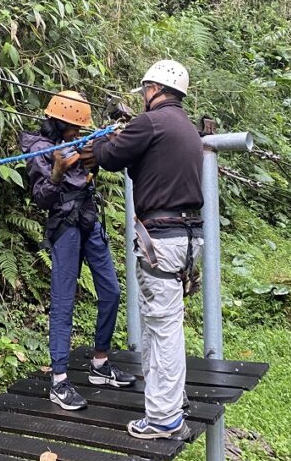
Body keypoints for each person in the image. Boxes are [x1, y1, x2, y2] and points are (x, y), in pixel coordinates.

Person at [82, 61, 204, 440]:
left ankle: (164, 416)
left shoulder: (150, 123)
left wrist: (98, 144)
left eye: (146, 90)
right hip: (185, 239)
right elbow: (142, 167)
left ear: (154, 89)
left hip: (161, 240)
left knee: (162, 326)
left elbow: (110, 157)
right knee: (163, 323)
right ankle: (169, 400)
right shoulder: (186, 128)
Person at [19, 90, 136, 410]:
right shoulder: (41, 149)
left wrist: (103, 148)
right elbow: (42, 198)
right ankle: (59, 380)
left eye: (80, 128)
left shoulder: (81, 142)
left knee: (111, 291)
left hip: (89, 221)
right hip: (65, 228)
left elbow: (103, 159)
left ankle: (100, 363)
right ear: (58, 123)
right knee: (63, 302)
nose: (77, 132)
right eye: (73, 127)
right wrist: (57, 172)